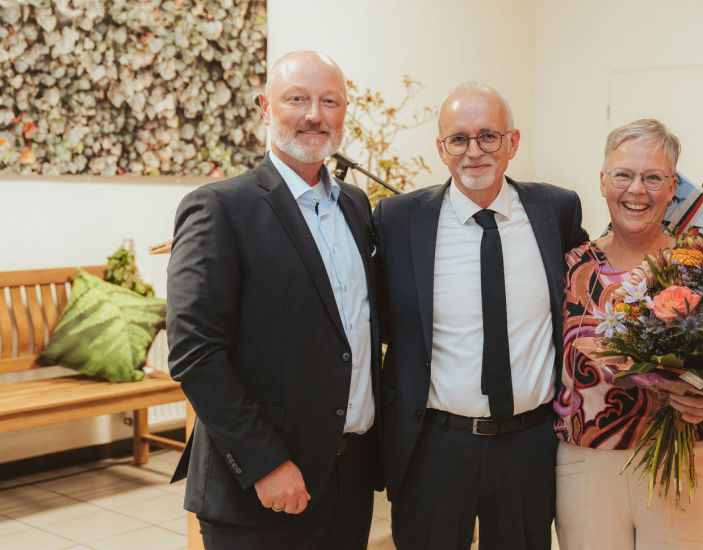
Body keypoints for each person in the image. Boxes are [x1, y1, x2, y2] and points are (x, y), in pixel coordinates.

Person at [166, 51, 380, 550]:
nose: (315, 115)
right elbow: (196, 352)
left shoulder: (354, 205)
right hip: (263, 489)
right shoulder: (219, 208)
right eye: (297, 99)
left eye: (330, 101)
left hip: (349, 481)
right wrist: (266, 464)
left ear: (344, 111)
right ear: (265, 108)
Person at [373, 82, 588, 550]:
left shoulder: (555, 211)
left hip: (529, 445)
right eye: (459, 139)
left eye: (488, 136)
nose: (474, 151)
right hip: (433, 445)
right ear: (441, 148)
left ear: (513, 142)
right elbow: (381, 321)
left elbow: (588, 297)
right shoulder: (397, 220)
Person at [553, 119, 703, 550]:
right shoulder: (569, 267)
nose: (636, 190)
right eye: (623, 175)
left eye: (653, 177)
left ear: (672, 187)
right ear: (602, 181)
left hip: (678, 463)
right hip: (586, 469)